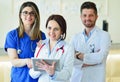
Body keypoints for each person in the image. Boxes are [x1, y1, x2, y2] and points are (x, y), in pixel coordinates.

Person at [4, 1, 46, 82]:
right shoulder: (12, 35)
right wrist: (27, 61)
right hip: (19, 78)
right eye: (25, 13)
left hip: (37, 78)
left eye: (32, 13)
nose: (29, 16)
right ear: (20, 15)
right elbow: (14, 61)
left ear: (36, 16)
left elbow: (44, 58)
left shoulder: (41, 36)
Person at [70, 1, 111, 82]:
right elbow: (70, 60)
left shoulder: (104, 35)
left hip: (96, 79)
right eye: (84, 15)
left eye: (91, 15)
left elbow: (100, 57)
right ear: (81, 17)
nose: (87, 18)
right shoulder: (75, 37)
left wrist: (79, 56)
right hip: (77, 79)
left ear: (96, 16)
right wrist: (93, 58)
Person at [29, 14, 74, 82]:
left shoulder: (68, 48)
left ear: (62, 31)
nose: (52, 32)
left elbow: (68, 74)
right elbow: (32, 74)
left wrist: (53, 74)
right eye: (49, 28)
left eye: (56, 29)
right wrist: (41, 68)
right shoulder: (40, 45)